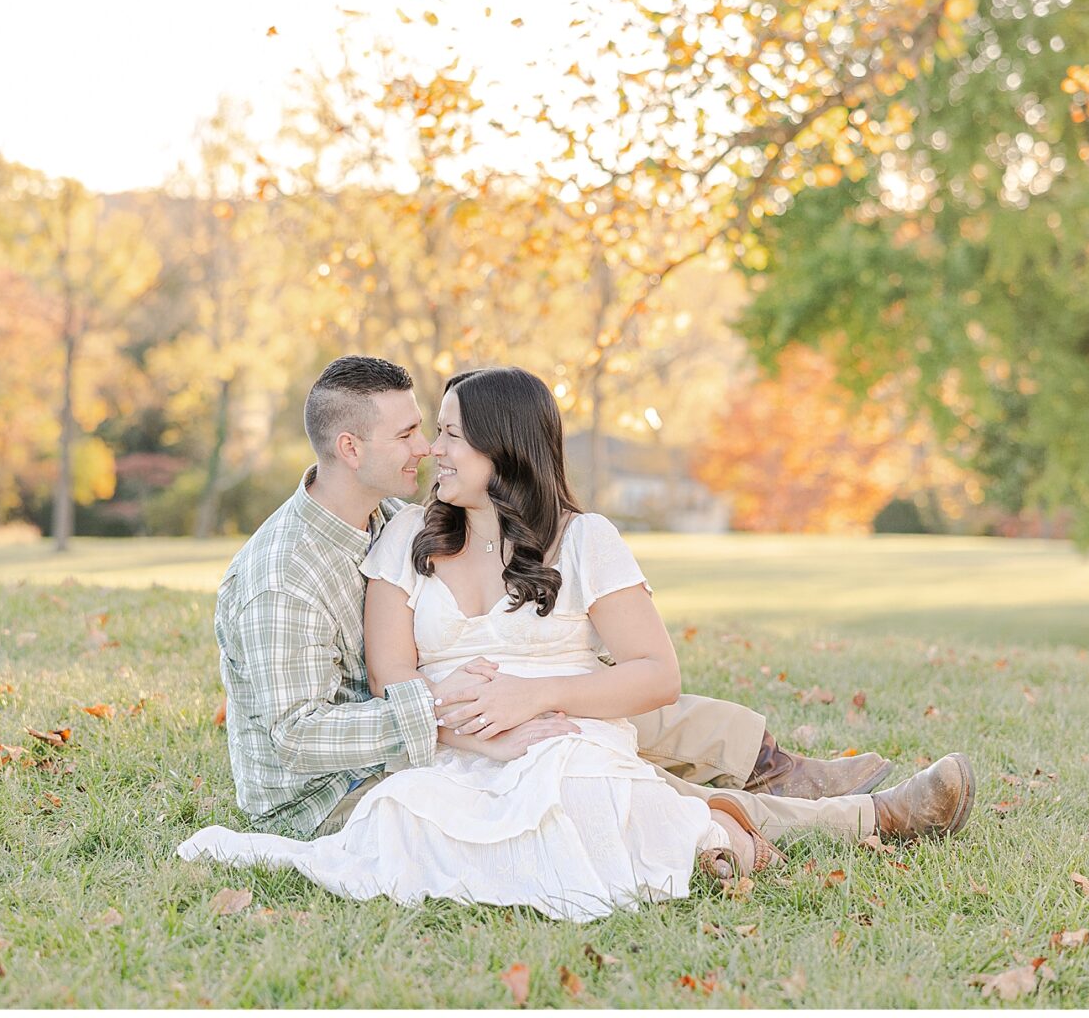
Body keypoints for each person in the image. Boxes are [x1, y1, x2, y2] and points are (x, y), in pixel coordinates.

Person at [179, 359, 974, 919]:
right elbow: (302, 732)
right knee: (627, 787)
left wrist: (533, 694)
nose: (427, 449)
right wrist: (476, 727)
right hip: (349, 778)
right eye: (417, 433)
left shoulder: (387, 512)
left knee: (616, 706)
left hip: (461, 716)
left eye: (442, 432)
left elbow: (643, 668)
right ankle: (857, 818)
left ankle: (792, 774)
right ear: (352, 450)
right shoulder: (291, 572)